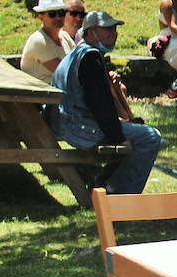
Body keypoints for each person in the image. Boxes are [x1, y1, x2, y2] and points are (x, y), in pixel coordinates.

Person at [50, 11, 161, 194]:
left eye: (115, 29)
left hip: (66, 122)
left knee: (137, 133)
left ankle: (104, 182)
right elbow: (100, 104)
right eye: (108, 29)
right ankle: (120, 194)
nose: (114, 33)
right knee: (150, 137)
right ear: (91, 32)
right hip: (78, 127)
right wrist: (118, 136)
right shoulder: (90, 58)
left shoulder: (80, 53)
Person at [20, 0, 69, 83]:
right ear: (41, 17)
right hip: (42, 95)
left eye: (61, 13)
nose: (58, 18)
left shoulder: (65, 37)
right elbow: (64, 72)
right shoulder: (39, 41)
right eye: (52, 14)